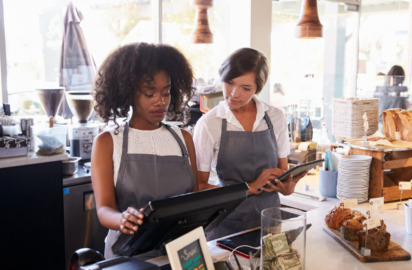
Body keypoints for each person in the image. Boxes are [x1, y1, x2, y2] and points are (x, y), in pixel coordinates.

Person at [91, 42, 198, 259]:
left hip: (179, 253)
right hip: (127, 254)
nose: (161, 102)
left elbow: (194, 201)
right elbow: (104, 209)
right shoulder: (108, 142)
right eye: (150, 93)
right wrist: (122, 219)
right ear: (129, 93)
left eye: (166, 93)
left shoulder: (183, 139)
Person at [193, 47, 306, 240]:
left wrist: (287, 187)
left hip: (271, 221)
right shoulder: (209, 123)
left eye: (246, 88)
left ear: (258, 89)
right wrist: (250, 187)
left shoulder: (275, 117)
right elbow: (198, 187)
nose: (234, 94)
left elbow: (282, 171)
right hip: (226, 224)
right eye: (229, 83)